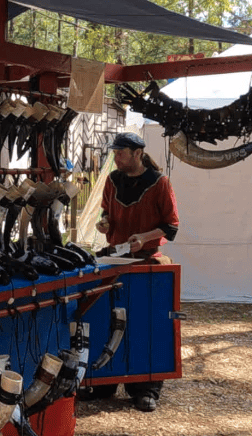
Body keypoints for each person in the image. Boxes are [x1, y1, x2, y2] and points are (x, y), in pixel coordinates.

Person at [86, 132, 180, 412]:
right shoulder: (113, 180)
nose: (115, 158)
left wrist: (145, 237)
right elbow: (106, 213)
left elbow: (171, 227)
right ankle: (105, 381)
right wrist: (104, 224)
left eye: (120, 153)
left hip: (147, 262)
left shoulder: (160, 183)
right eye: (115, 153)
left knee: (147, 325)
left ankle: (147, 388)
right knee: (108, 321)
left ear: (138, 153)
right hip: (116, 261)